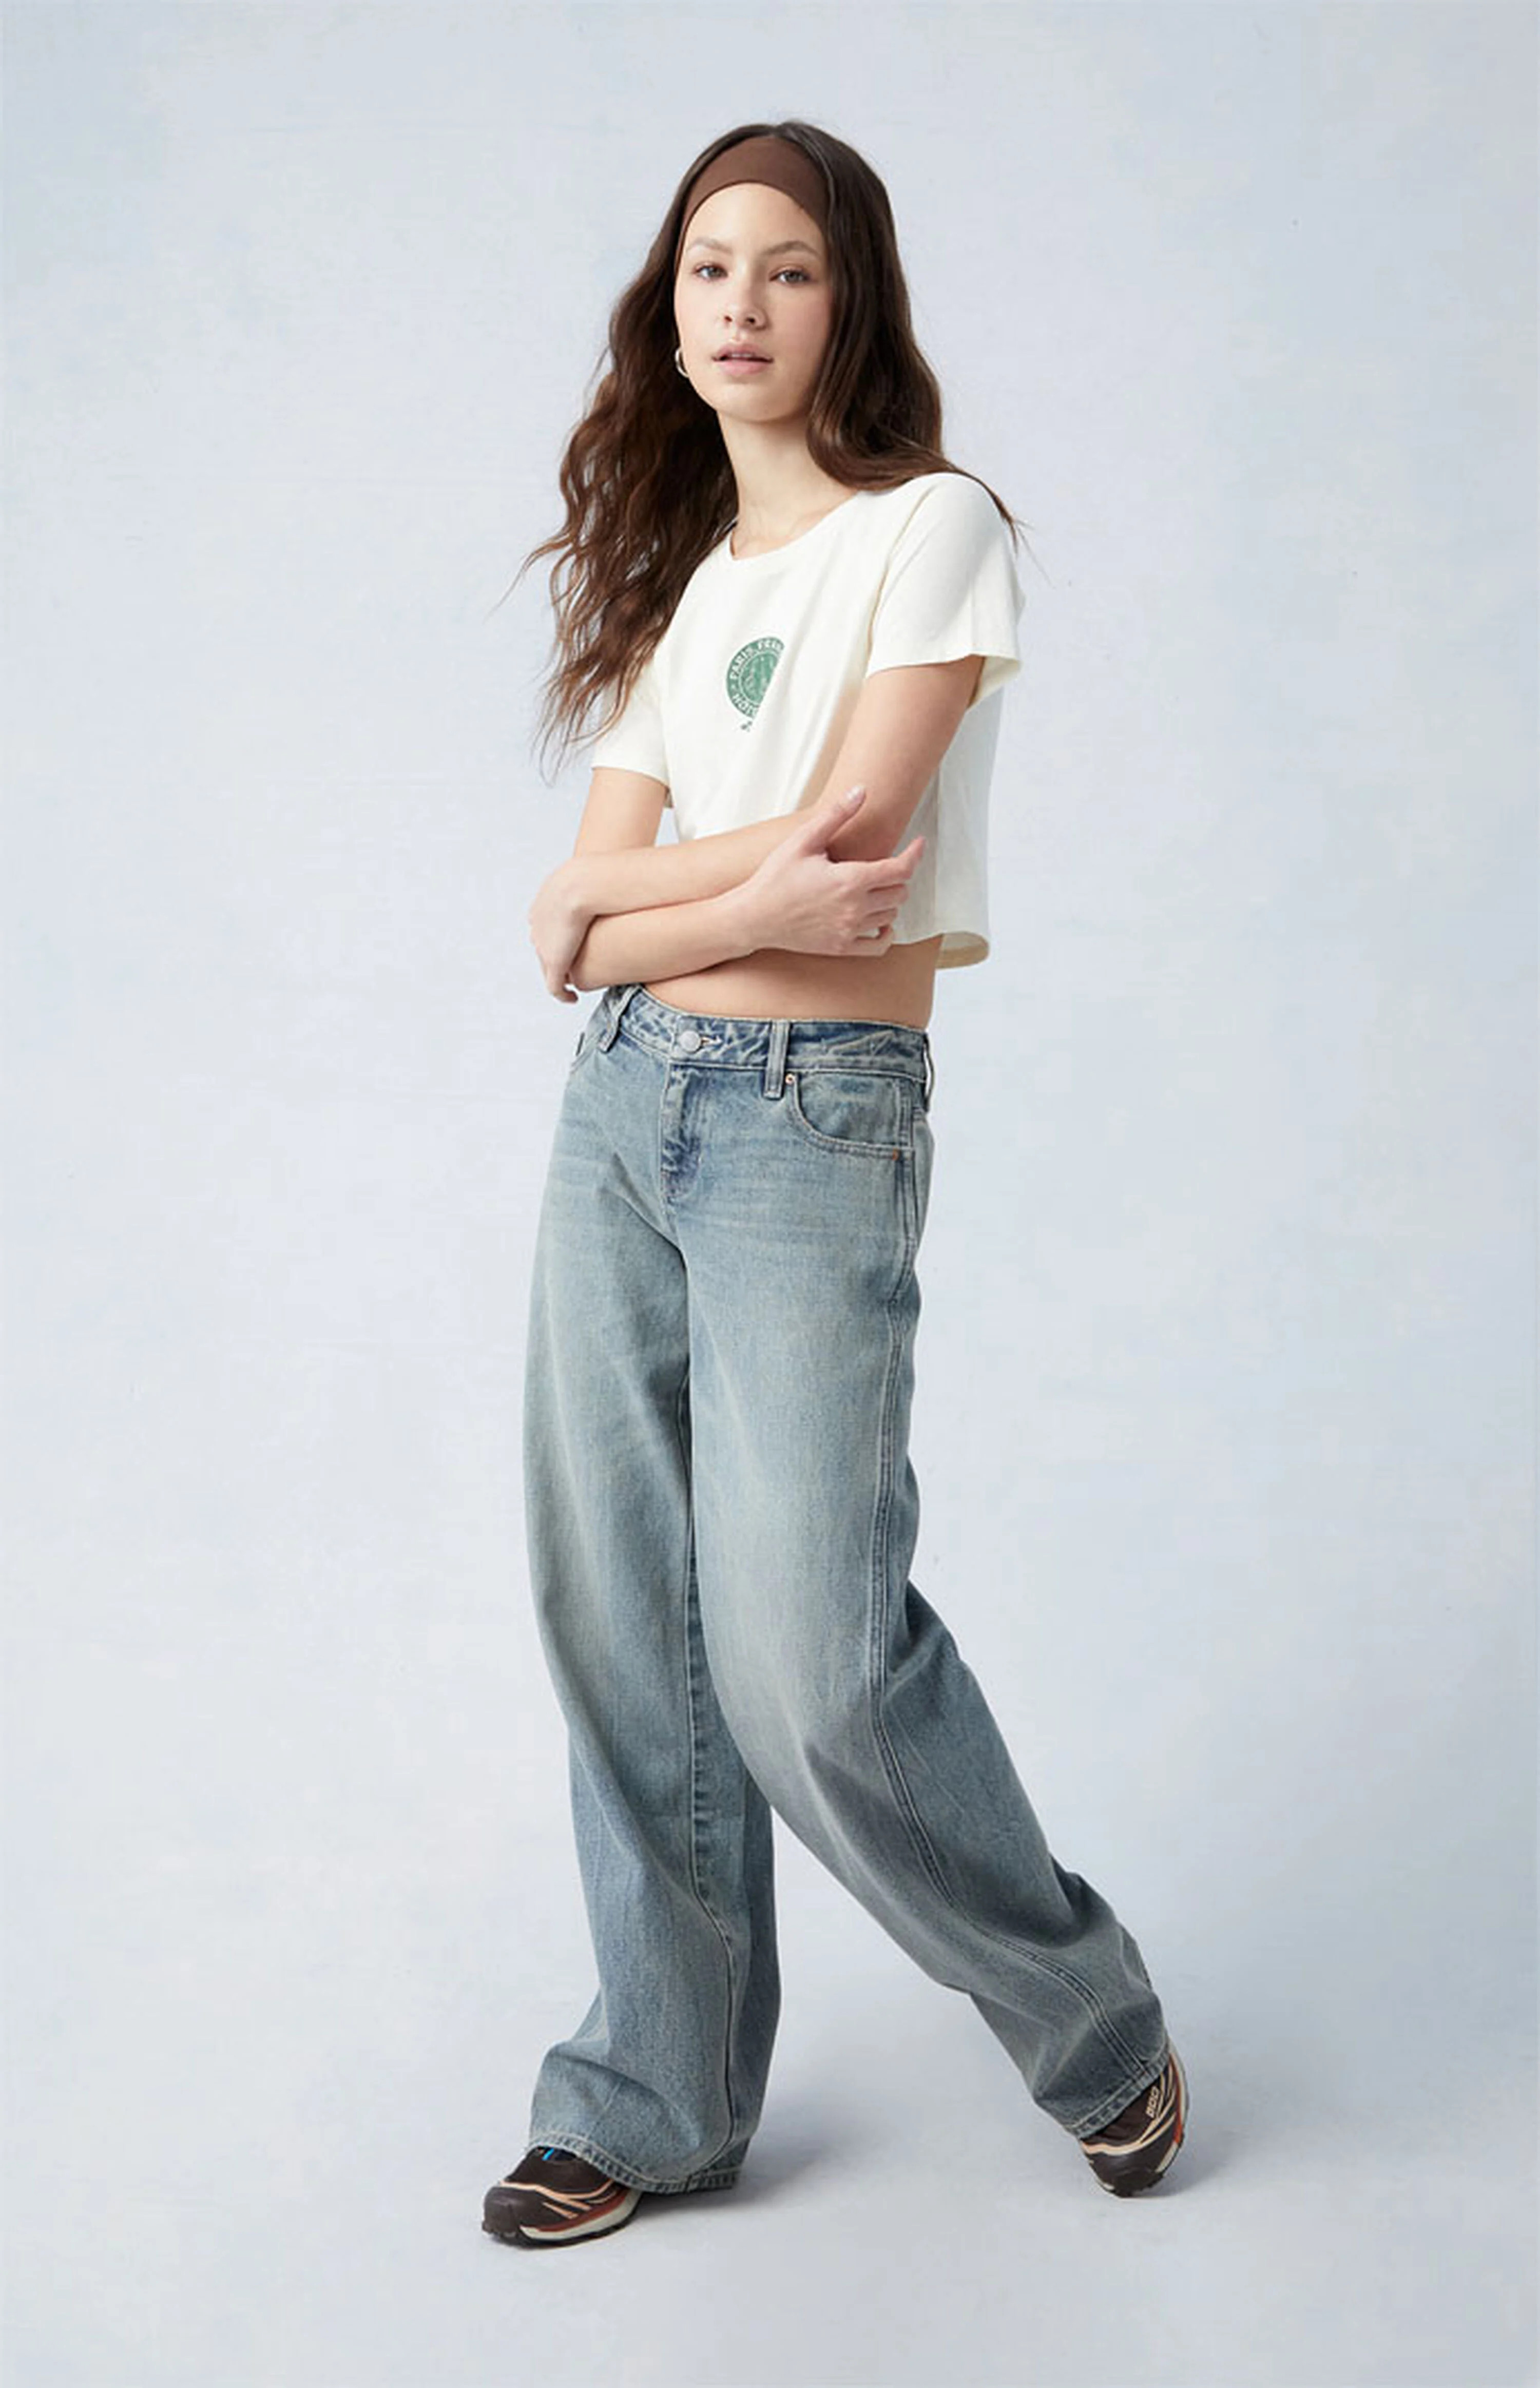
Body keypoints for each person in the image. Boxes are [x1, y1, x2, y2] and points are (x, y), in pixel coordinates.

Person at [483, 120, 1187, 2251]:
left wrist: (634, 905)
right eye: (710, 266)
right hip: (621, 1109)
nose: (742, 306)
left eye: (787, 268)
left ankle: (1094, 2022)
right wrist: (704, 897)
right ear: (668, 304)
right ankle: (656, 2091)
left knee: (809, 1664)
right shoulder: (684, 580)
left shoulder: (932, 531)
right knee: (624, 1619)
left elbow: (852, 856)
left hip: (813, 1113)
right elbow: (568, 923)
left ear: (848, 301)